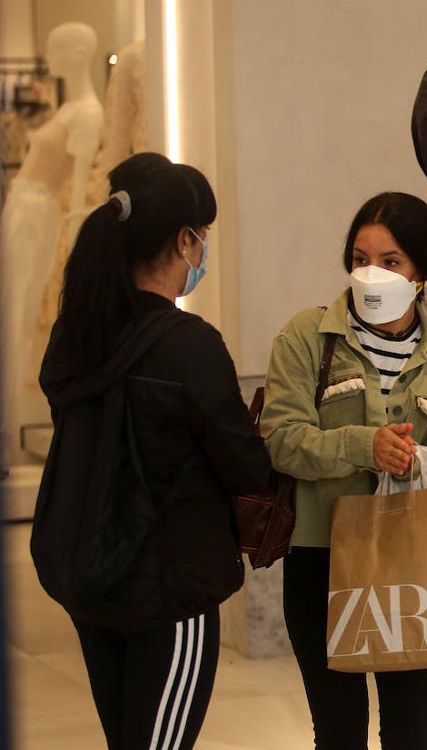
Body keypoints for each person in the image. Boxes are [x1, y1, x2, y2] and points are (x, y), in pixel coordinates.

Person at [33, 152, 270, 749]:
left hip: (92, 578)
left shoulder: (78, 336)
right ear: (185, 241)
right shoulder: (189, 346)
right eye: (204, 238)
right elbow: (244, 466)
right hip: (171, 592)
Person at [262, 192, 427, 750]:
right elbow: (283, 442)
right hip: (321, 557)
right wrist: (365, 447)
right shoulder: (305, 338)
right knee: (338, 733)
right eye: (360, 258)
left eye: (391, 262)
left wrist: (417, 460)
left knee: (414, 733)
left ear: (421, 273)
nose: (371, 273)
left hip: (414, 562)